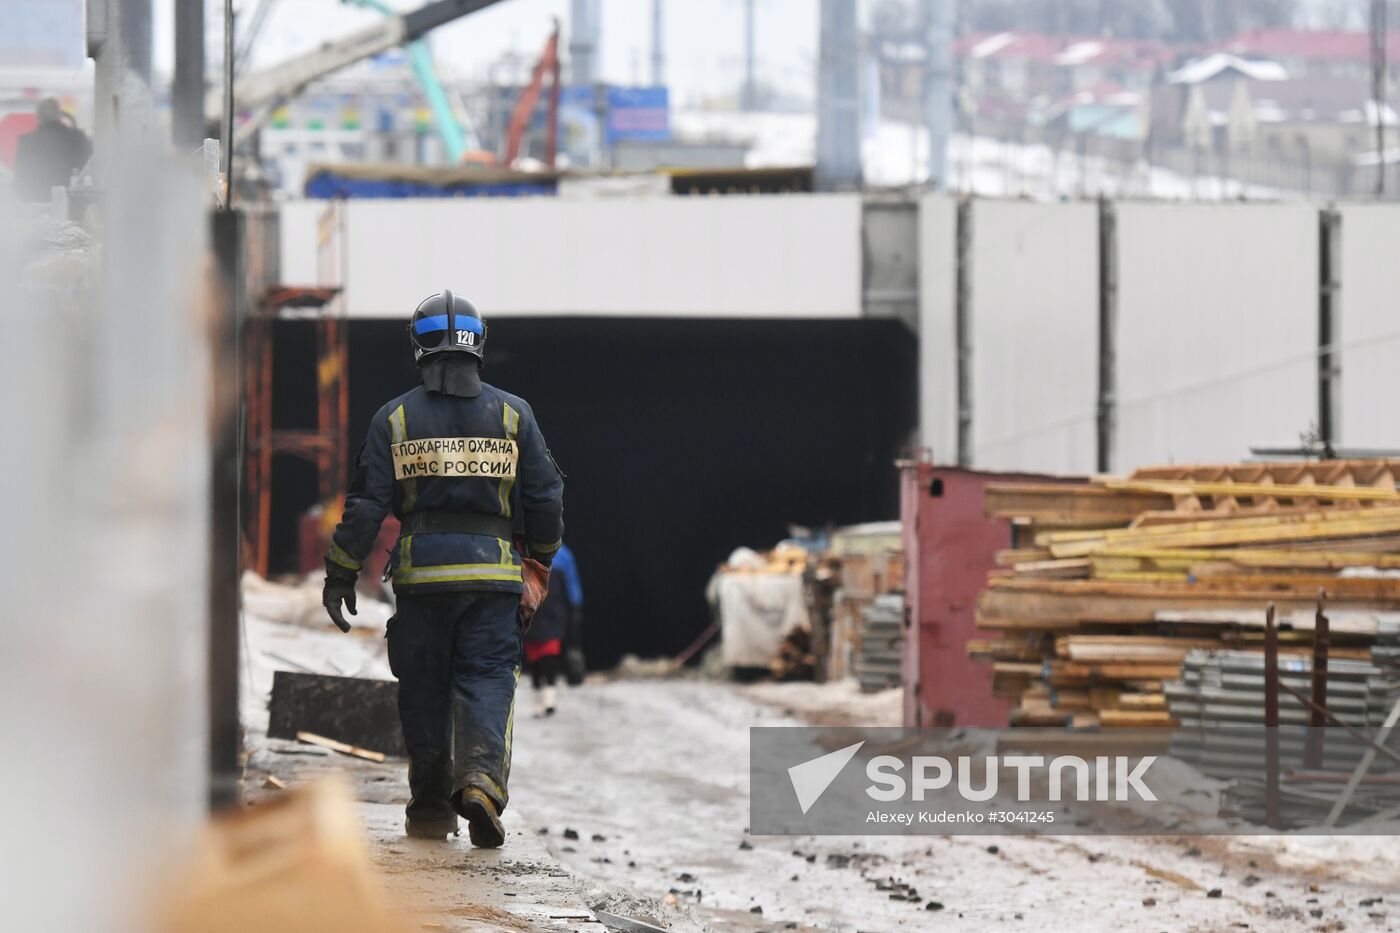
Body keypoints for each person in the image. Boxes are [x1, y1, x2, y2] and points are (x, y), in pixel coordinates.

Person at [321, 290, 564, 847]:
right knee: (487, 678)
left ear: (419, 347)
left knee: (424, 690)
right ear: (479, 346)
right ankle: (480, 780)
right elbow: (546, 496)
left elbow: (364, 507)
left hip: (422, 582)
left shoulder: (395, 418)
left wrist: (340, 572)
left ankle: (431, 808)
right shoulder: (513, 414)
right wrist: (541, 560)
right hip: (493, 581)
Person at [523, 542, 583, 715]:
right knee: (544, 654)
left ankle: (544, 700)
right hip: (547, 610)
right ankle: (545, 700)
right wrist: (576, 605)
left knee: (541, 654)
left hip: (537, 608)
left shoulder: (526, 548)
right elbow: (573, 584)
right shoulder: (564, 554)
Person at [14, 98, 91, 203]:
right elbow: (89, 169)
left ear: (38, 116)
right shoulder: (78, 139)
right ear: (59, 115)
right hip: (72, 205)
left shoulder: (27, 142)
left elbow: (21, 180)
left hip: (36, 203)